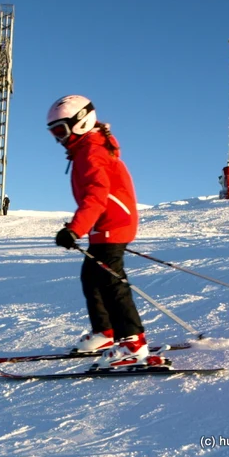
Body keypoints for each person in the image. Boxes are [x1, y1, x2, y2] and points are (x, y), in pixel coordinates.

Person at [47, 94, 152, 369]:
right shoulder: (86, 149)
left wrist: (75, 229)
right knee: (91, 278)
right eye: (53, 132)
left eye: (61, 130)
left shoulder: (91, 152)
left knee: (111, 283)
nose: (58, 138)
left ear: (80, 123)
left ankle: (132, 342)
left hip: (112, 223)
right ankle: (105, 333)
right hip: (104, 225)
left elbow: (96, 197)